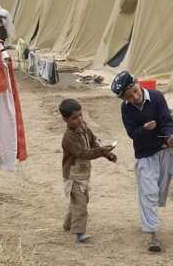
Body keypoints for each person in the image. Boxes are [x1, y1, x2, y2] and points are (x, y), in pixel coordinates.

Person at [111, 71, 173, 253]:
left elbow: (166, 121)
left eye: (134, 91)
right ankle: (152, 236)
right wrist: (144, 128)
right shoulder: (126, 109)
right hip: (145, 155)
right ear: (123, 99)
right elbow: (132, 133)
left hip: (164, 151)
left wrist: (171, 136)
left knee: (159, 191)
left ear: (137, 82)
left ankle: (150, 220)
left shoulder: (156, 97)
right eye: (129, 96)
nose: (135, 97)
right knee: (148, 192)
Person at [60, 98, 117, 243]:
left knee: (82, 201)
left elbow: (93, 143)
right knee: (80, 203)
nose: (79, 120)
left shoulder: (85, 128)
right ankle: (79, 233)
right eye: (74, 118)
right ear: (65, 119)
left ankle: (68, 224)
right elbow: (83, 153)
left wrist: (107, 154)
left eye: (80, 115)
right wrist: (101, 151)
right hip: (73, 176)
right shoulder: (68, 137)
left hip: (84, 173)